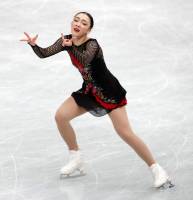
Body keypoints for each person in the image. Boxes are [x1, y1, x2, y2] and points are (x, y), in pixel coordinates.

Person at [20, 11, 174, 189]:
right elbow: (44, 53)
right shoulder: (67, 40)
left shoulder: (92, 45)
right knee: (61, 116)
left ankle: (157, 169)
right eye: (76, 20)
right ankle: (76, 157)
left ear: (89, 29)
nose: (78, 24)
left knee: (125, 133)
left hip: (109, 92)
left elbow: (84, 60)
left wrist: (69, 47)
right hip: (89, 90)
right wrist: (33, 45)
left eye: (84, 23)